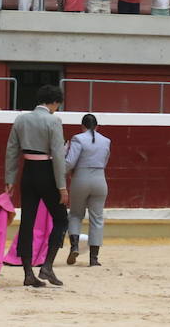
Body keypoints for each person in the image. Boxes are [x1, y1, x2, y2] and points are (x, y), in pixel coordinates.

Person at [3, 83, 69, 288]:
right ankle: (47, 266)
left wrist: (10, 179)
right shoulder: (53, 121)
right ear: (54, 102)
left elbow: (12, 151)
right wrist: (62, 186)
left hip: (28, 173)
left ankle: (28, 273)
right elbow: (58, 155)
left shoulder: (21, 119)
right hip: (46, 173)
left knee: (27, 222)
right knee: (61, 219)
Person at [64, 113, 111, 268]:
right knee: (97, 218)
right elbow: (105, 161)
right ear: (97, 127)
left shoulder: (78, 139)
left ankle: (75, 247)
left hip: (81, 178)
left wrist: (61, 170)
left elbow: (70, 162)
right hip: (100, 179)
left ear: (82, 126)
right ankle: (94, 258)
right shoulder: (106, 141)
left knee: (76, 214)